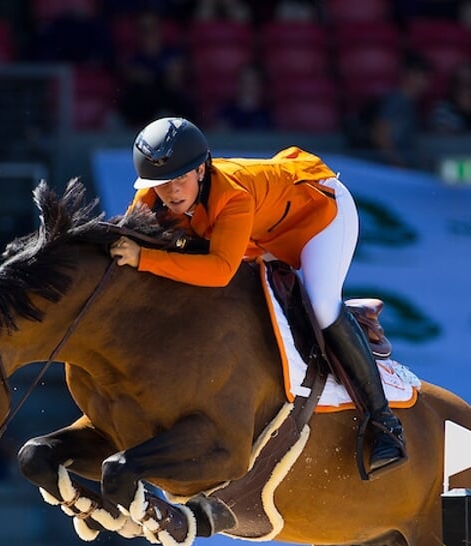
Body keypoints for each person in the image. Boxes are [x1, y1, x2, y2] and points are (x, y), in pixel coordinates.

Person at [109, 117, 407, 476]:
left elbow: (219, 270)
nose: (172, 192)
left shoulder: (233, 195)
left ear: (202, 170)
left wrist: (145, 258)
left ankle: (384, 423)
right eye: (162, 184)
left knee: (322, 306)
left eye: (181, 179)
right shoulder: (152, 198)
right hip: (262, 233)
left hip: (318, 218)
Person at [364, 55, 433, 168]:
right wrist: (397, 163)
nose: (424, 83)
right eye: (420, 76)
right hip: (386, 168)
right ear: (408, 75)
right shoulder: (395, 102)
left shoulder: (411, 105)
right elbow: (380, 136)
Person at [214, 65, 273, 132]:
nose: (248, 87)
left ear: (260, 87)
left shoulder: (266, 116)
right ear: (237, 84)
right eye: (244, 82)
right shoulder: (225, 112)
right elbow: (219, 137)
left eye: (252, 83)